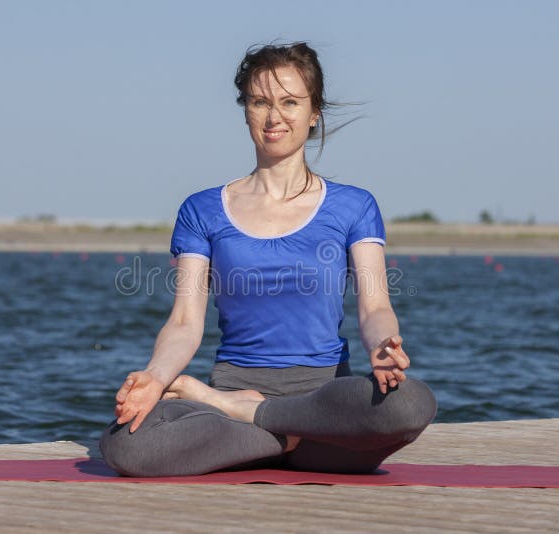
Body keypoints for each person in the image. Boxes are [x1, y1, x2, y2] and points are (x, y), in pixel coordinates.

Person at [99, 42, 437, 477]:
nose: (275, 117)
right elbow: (185, 322)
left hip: (326, 403)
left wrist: (384, 348)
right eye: (261, 102)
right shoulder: (202, 210)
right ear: (245, 110)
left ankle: (254, 420)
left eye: (290, 102)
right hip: (250, 396)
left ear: (314, 112)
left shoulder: (354, 206)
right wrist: (155, 376)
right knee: (123, 445)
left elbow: (375, 308)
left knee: (411, 403)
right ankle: (271, 431)